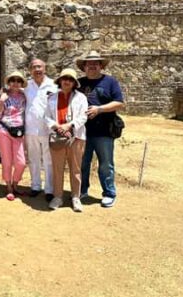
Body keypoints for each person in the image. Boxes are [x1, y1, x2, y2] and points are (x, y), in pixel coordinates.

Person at [77, 50, 125, 208]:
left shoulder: (110, 82)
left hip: (104, 131)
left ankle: (109, 193)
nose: (92, 66)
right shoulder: (79, 83)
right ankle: (81, 190)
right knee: (82, 164)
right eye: (89, 64)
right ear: (84, 67)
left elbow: (119, 103)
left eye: (95, 63)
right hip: (82, 132)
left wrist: (99, 109)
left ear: (101, 66)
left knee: (105, 164)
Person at [45, 68, 88, 212]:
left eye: (70, 79)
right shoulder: (52, 98)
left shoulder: (81, 97)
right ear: (60, 81)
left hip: (76, 137)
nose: (67, 81)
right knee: (57, 169)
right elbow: (46, 117)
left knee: (75, 169)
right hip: (57, 136)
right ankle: (58, 196)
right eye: (64, 79)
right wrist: (57, 127)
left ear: (74, 83)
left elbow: (83, 116)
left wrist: (69, 125)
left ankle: (75, 197)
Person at [24, 58, 57, 202]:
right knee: (33, 159)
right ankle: (35, 186)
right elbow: (10, 90)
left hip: (47, 129)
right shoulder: (26, 85)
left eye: (40, 67)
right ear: (30, 70)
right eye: (34, 67)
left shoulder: (53, 85)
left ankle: (49, 189)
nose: (37, 70)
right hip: (30, 128)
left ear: (45, 68)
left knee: (48, 160)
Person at [0, 71, 28, 200]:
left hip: (18, 132)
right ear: (9, 82)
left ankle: (15, 184)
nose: (15, 83)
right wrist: (1, 102)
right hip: (3, 130)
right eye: (13, 80)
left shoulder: (24, 95)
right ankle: (9, 187)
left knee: (21, 162)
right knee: (7, 160)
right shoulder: (3, 95)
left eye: (18, 80)